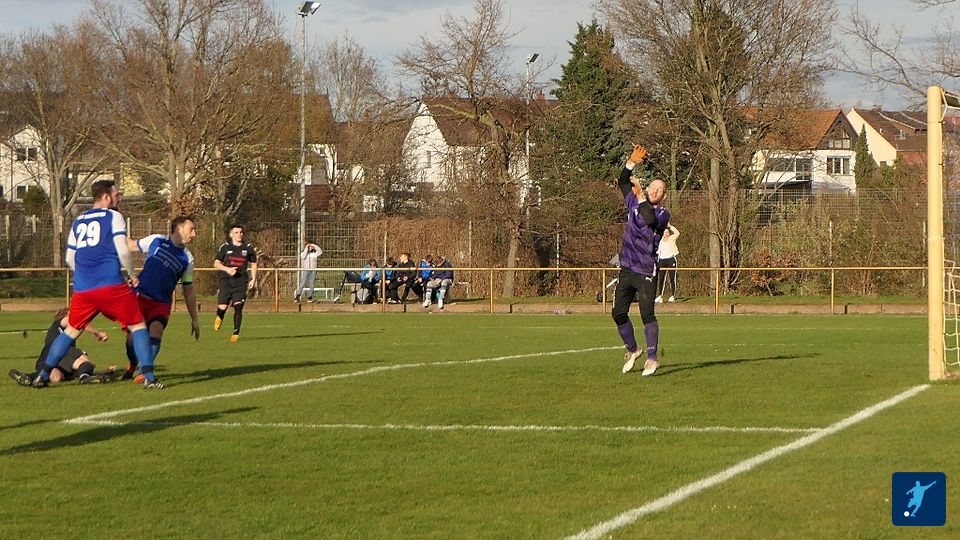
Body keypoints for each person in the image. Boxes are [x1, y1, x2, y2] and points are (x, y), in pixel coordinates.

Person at [31, 179, 160, 389]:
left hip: (83, 289)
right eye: (117, 194)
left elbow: (69, 258)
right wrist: (131, 273)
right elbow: (123, 250)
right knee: (138, 325)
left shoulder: (78, 221)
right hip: (110, 285)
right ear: (107, 197)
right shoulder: (114, 216)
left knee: (71, 331)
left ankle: (42, 375)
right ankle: (149, 378)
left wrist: (85, 275)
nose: (120, 198)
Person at [613, 145, 670, 376]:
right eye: (653, 187)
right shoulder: (634, 202)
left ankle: (652, 358)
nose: (655, 191)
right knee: (618, 313)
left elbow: (648, 219)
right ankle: (633, 349)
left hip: (646, 270)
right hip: (627, 268)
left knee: (647, 314)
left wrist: (641, 196)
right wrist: (631, 163)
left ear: (663, 196)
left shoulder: (662, 214)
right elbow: (622, 181)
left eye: (660, 190)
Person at [122, 216, 201, 381]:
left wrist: (194, 318)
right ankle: (133, 364)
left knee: (156, 331)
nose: (194, 234)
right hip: (140, 296)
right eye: (191, 229)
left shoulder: (188, 258)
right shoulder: (156, 240)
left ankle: (145, 372)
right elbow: (131, 245)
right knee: (131, 340)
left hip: (161, 303)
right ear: (179, 229)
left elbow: (188, 290)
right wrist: (113, 231)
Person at [9, 308, 116, 386]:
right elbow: (77, 321)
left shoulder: (56, 330)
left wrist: (102, 372)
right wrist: (97, 332)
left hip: (45, 359)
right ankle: (85, 377)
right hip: (60, 351)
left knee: (57, 378)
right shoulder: (60, 322)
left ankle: (29, 377)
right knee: (86, 362)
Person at [214, 224, 257, 342]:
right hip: (226, 281)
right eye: (237, 232)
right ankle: (220, 316)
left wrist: (253, 279)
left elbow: (254, 263)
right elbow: (216, 263)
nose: (239, 234)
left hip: (241, 282)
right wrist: (227, 269)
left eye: (241, 232)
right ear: (231, 234)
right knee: (222, 307)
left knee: (238, 307)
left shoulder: (248, 248)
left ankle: (236, 333)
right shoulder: (225, 247)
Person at [655, 224, 680, 303]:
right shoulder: (660, 240)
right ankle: (660, 296)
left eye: (668, 232)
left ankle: (672, 295)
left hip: (671, 259)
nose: (666, 234)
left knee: (672, 278)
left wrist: (670, 226)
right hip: (662, 260)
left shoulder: (672, 238)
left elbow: (677, 233)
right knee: (661, 278)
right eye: (665, 232)